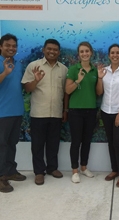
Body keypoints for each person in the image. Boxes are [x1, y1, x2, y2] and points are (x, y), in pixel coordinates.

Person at [21, 39, 68, 185]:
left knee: (54, 143)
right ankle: (39, 172)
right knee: (38, 144)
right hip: (38, 113)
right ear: (43, 50)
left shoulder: (64, 69)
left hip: (56, 113)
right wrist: (35, 80)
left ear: (59, 52)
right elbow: (27, 89)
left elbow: (66, 93)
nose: (52, 51)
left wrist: (65, 110)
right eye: (49, 49)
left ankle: (52, 168)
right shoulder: (34, 66)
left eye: (55, 49)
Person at [96, 44, 119, 188]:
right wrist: (100, 78)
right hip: (106, 111)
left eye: (117, 53)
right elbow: (99, 93)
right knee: (111, 142)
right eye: (112, 53)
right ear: (109, 55)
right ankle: (115, 170)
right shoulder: (104, 71)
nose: (115, 55)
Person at [65, 42, 98, 183]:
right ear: (78, 54)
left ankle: (84, 167)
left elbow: (98, 92)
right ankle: (74, 171)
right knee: (76, 141)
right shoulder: (73, 69)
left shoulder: (95, 71)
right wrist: (78, 80)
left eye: (87, 51)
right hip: (76, 111)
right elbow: (67, 90)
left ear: (91, 52)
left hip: (91, 110)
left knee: (86, 141)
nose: (84, 54)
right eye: (81, 51)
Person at [0, 34, 26, 193]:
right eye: (8, 45)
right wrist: (4, 73)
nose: (11, 48)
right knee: (1, 146)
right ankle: (1, 177)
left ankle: (10, 170)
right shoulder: (3, 65)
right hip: (2, 112)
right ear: (0, 46)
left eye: (14, 46)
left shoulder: (18, 64)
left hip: (17, 111)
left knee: (11, 144)